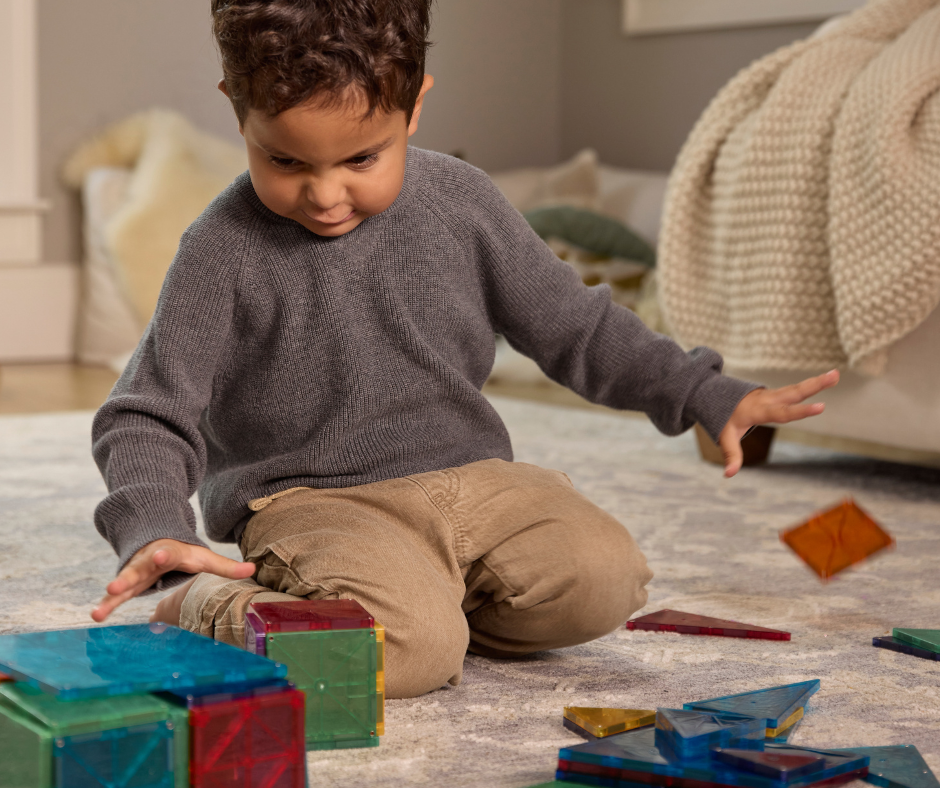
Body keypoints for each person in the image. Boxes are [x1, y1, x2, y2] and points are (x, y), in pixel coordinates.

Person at [90, 0, 838, 699]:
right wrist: (156, 525)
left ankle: (424, 599)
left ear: (415, 108)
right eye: (286, 162)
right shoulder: (220, 248)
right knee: (411, 651)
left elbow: (575, 326)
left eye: (359, 160)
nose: (324, 195)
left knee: (604, 580)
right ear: (236, 109)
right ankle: (201, 603)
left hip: (474, 477)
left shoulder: (465, 202)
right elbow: (146, 413)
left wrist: (704, 392)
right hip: (314, 499)